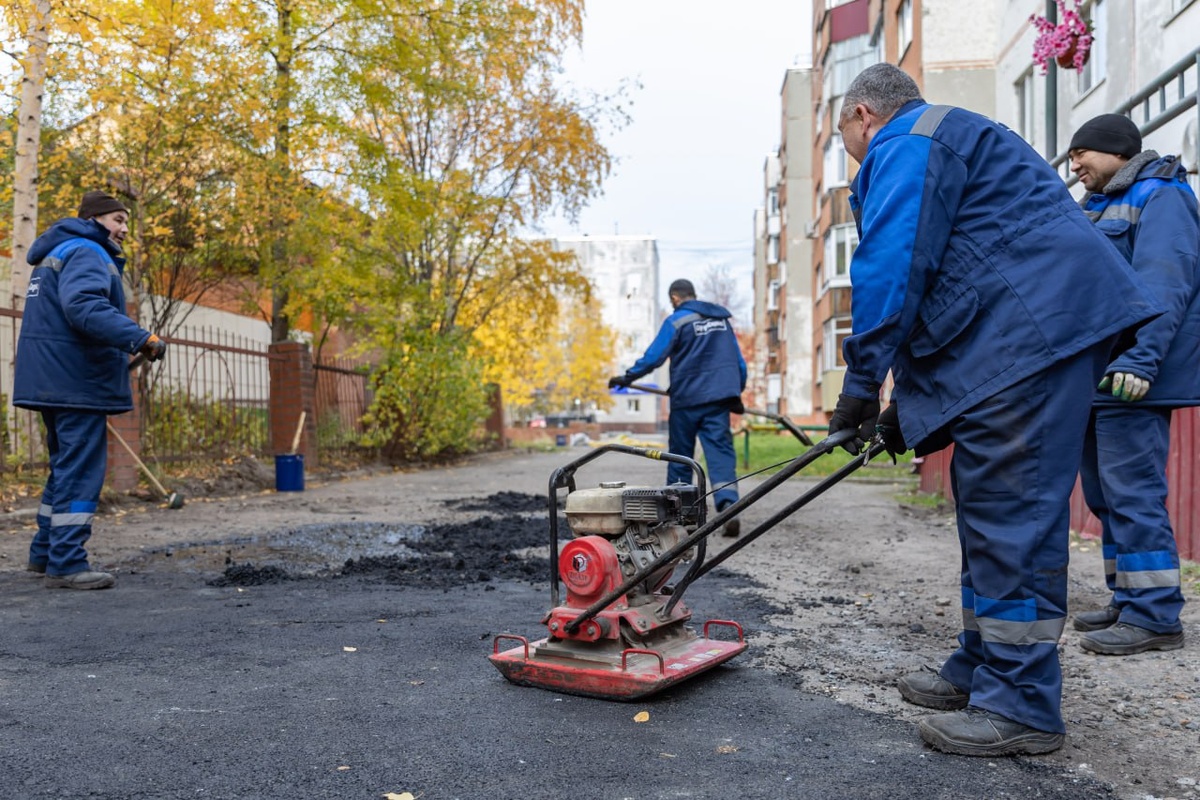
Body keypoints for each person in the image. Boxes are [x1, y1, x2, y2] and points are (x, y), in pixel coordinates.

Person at [827, 64, 1160, 757]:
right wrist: (900, 409)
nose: (851, 154)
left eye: (845, 138)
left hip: (1032, 337)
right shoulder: (948, 139)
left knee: (1011, 517)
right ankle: (984, 666)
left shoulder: (909, 141)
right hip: (1023, 336)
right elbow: (953, 271)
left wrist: (861, 386)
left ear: (863, 114)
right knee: (990, 513)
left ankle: (1022, 706)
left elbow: (894, 267)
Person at [1067, 113, 1199, 655]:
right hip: (1097, 376)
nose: (1074, 166)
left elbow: (1164, 284)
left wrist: (1141, 361)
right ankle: (1128, 597)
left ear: (1115, 151)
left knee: (1133, 492)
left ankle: (1156, 615)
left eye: (1082, 154)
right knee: (1105, 495)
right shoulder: (1094, 207)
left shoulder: (1161, 196)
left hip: (1131, 376)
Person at [14, 190, 167, 590]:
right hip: (76, 380)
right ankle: (67, 562)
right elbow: (84, 308)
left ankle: (44, 554)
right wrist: (140, 337)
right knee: (80, 471)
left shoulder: (59, 250)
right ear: (93, 218)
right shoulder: (87, 250)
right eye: (117, 220)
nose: (123, 229)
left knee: (64, 467)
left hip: (55, 378)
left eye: (126, 222)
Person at [609, 278, 747, 537]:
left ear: (674, 298)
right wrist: (735, 394)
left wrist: (627, 378)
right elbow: (738, 363)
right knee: (720, 453)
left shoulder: (677, 320)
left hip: (687, 400)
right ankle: (729, 506)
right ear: (693, 295)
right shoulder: (721, 321)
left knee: (680, 457)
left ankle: (682, 516)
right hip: (718, 401)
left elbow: (654, 357)